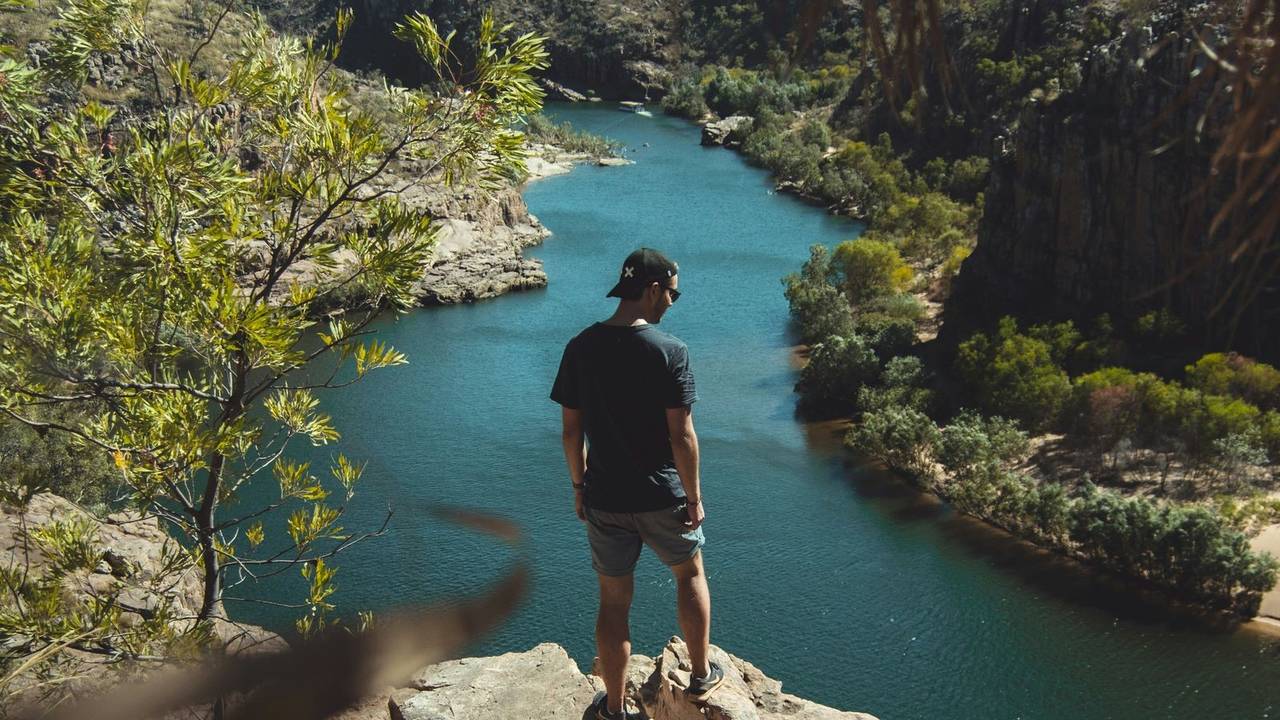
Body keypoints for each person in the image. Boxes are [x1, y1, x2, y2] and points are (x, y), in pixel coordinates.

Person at [550, 248, 725, 720]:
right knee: (689, 574)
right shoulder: (670, 351)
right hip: (661, 495)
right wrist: (694, 498)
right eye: (672, 292)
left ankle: (612, 708)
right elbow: (682, 434)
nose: (672, 302)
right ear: (652, 290)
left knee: (613, 602)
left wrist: (579, 487)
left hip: (605, 497)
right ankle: (700, 674)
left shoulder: (580, 347)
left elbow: (571, 431)